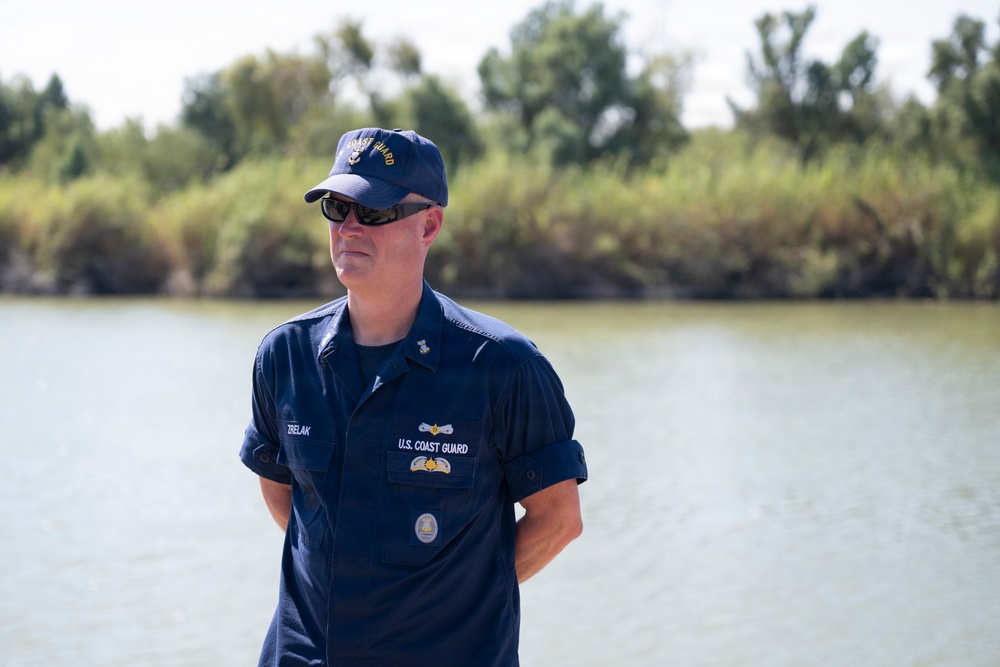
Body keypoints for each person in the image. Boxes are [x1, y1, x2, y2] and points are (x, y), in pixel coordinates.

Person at [239, 127, 588, 666]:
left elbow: (559, 519)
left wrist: (451, 597)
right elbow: (287, 499)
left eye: (374, 211)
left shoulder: (503, 367)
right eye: (337, 207)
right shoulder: (285, 356)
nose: (349, 227)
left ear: (429, 225)